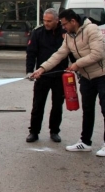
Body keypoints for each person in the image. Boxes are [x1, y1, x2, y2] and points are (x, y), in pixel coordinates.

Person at [30, 9, 105, 157]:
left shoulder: (92, 29)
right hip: (87, 77)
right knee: (88, 110)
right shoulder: (69, 36)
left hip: (103, 75)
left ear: (73, 22)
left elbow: (97, 54)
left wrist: (77, 64)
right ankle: (85, 142)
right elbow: (59, 54)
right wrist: (42, 69)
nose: (63, 27)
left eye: (64, 24)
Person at [25, 8, 69, 143]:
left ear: (57, 20)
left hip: (59, 75)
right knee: (38, 105)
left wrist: (75, 66)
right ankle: (34, 132)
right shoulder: (38, 33)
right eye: (44, 21)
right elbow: (31, 53)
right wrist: (29, 71)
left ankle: (54, 131)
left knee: (57, 105)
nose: (46, 23)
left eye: (49, 21)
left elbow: (72, 50)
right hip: (41, 76)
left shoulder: (65, 33)